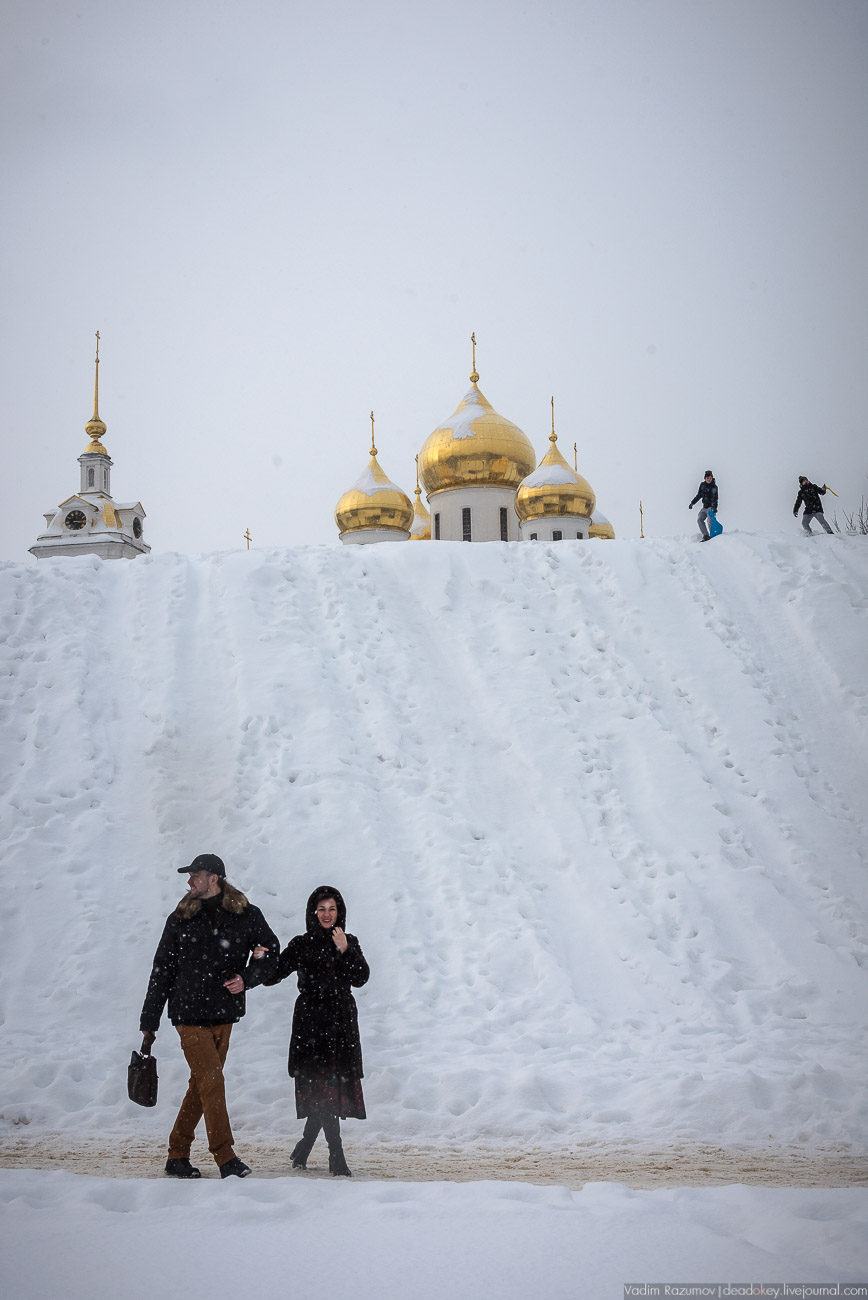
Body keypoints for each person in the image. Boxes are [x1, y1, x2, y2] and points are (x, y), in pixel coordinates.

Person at [139, 853, 279, 1179]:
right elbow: (161, 971)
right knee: (212, 1082)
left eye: (195, 875)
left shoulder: (244, 914)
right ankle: (225, 1156)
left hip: (224, 1014)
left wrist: (248, 977)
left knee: (201, 1085)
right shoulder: (180, 918)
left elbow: (271, 951)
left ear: (214, 878)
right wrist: (150, 1022)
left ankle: (177, 1154)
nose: (189, 881)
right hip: (188, 1015)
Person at [263, 885, 369, 1177]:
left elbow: (361, 977)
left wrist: (345, 949)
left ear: (339, 912)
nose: (327, 914)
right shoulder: (301, 944)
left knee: (328, 1090)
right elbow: (274, 975)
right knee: (323, 1089)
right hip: (311, 1024)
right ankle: (336, 1154)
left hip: (341, 1025)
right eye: (321, 909)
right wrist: (261, 957)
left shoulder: (349, 941)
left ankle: (305, 1145)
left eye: (332, 909)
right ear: (313, 912)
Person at [689, 470, 719, 542]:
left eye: (710, 478)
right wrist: (692, 503)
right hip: (704, 507)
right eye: (708, 478)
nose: (709, 479)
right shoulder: (702, 485)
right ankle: (705, 535)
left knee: (710, 520)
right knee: (699, 519)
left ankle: (713, 536)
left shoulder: (714, 487)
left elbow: (715, 498)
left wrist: (714, 508)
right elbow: (699, 495)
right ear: (705, 478)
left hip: (711, 508)